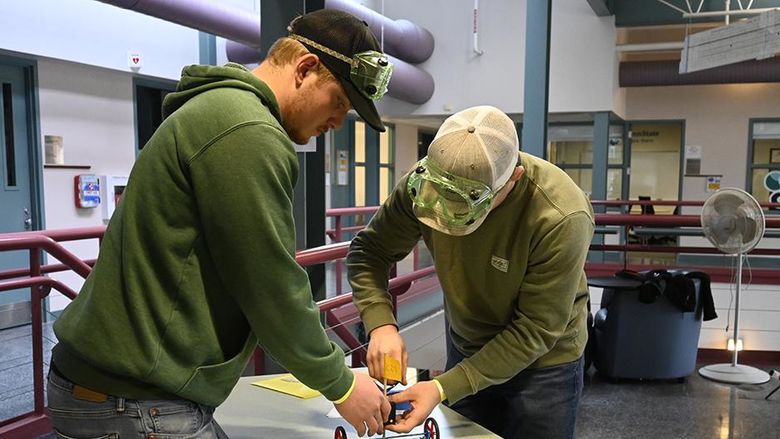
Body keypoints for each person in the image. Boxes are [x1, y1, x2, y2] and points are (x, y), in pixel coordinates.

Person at [48, 9, 394, 438]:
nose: (339, 121)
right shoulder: (247, 129)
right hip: (135, 399)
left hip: (117, 390)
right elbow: (271, 283)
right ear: (305, 68)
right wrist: (341, 384)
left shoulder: (221, 110)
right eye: (339, 101)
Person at [347, 105, 595, 438]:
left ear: (514, 178)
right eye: (442, 197)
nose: (448, 214)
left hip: (544, 365)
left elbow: (536, 328)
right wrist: (381, 325)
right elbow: (369, 252)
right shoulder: (421, 186)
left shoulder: (560, 215)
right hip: (467, 341)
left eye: (467, 203)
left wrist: (442, 387)